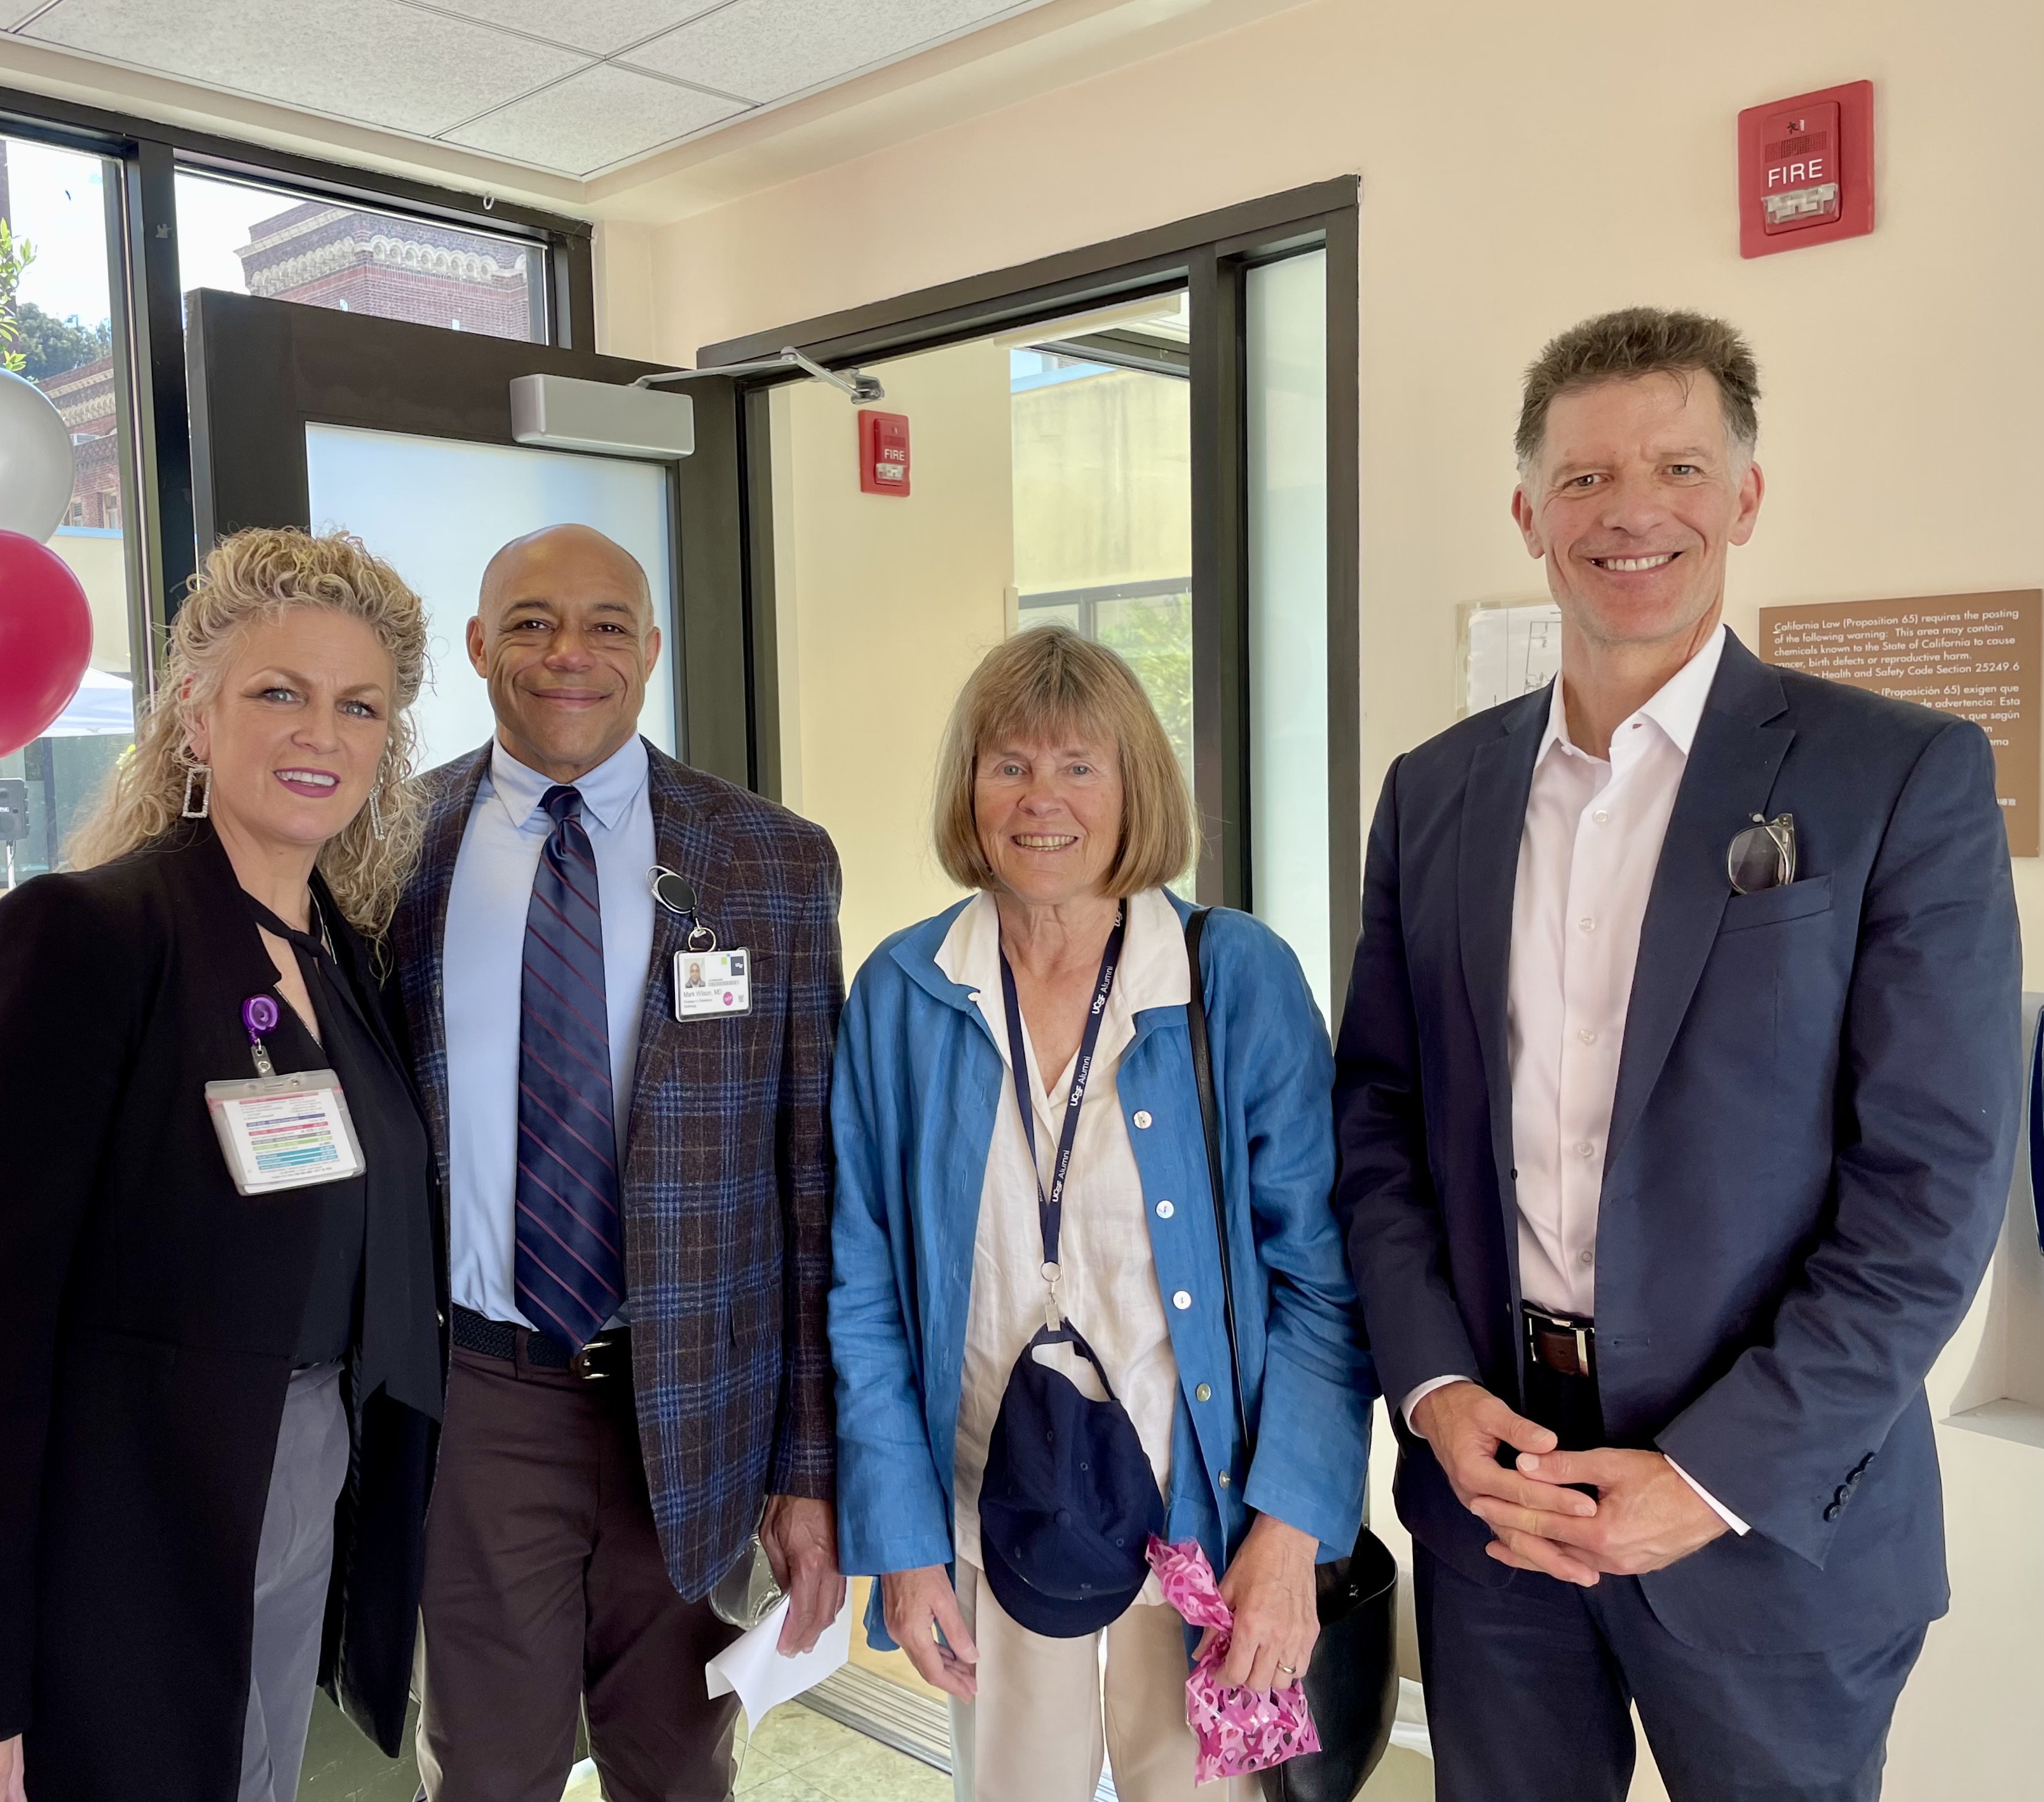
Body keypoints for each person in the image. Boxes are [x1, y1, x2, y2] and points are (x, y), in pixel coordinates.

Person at [1333, 309, 2019, 1802]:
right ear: (1526, 511)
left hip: (1773, 1526)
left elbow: (1933, 1192)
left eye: (1676, 467)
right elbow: (1376, 1123)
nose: (1628, 511)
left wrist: (1709, 1478)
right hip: (1495, 1506)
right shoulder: (1436, 793)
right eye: (1582, 479)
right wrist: (1436, 1392)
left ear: (1744, 499)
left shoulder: (1899, 775)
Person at [0, 530, 447, 1802]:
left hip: (291, 1502)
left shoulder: (343, 954)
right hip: (120, 1525)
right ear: (195, 715)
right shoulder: (87, 939)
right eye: (276, 691)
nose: (319, 733)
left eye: (358, 706)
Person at [828, 627, 1373, 1801]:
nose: (1042, 800)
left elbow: (1323, 1288)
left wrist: (1288, 1534)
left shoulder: (1233, 983)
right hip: (991, 1510)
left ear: (1135, 790)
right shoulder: (902, 995)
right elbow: (861, 1290)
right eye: (1008, 764)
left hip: (1207, 1531)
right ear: (968, 793)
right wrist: (904, 1544)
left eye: (1080, 766)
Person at [394, 523, 845, 1802]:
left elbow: (813, 1190)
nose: (567, 652)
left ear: (650, 649)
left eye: (604, 623)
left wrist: (808, 1471)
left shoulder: (769, 858)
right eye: (530, 621)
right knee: (485, 1771)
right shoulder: (392, 852)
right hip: (481, 1396)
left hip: (697, 1402)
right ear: (480, 645)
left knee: (679, 1770)